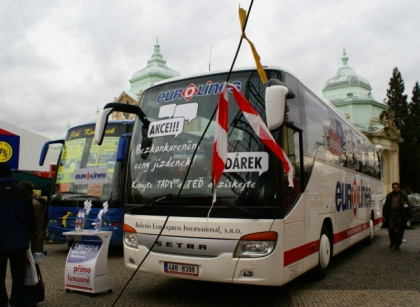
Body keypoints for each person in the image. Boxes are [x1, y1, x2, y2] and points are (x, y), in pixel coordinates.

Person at [0, 163, 36, 307]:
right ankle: (17, 301)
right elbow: (30, 216)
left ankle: (2, 302)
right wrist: (30, 234)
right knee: (19, 275)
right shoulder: (22, 191)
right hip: (19, 240)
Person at [382, 182, 412, 249]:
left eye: (396, 187)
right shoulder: (389, 195)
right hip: (392, 214)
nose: (395, 189)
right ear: (392, 188)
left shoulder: (403, 195)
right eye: (394, 188)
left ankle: (397, 244)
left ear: (399, 188)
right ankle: (393, 242)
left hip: (400, 215)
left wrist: (409, 215)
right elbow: (386, 205)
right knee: (391, 228)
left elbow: (408, 205)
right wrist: (384, 214)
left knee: (400, 230)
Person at [19, 181, 45, 253]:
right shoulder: (29, 202)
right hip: (31, 242)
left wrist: (35, 247)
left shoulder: (34, 205)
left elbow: (37, 227)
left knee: (33, 263)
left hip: (34, 244)